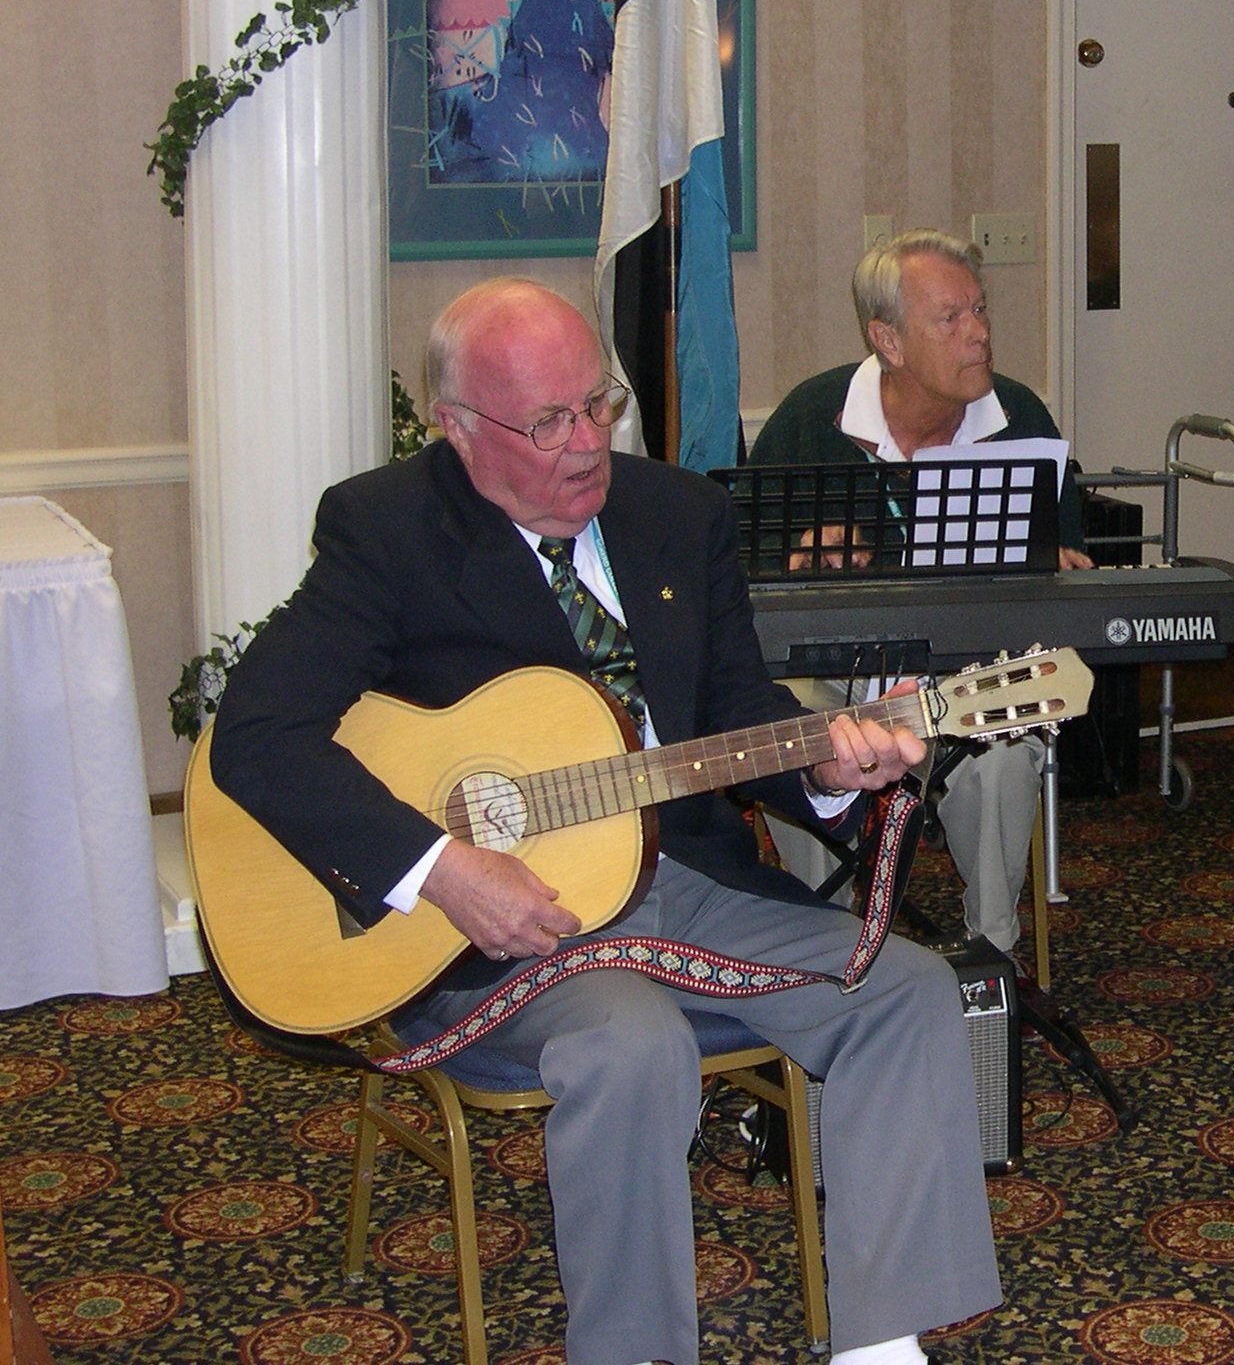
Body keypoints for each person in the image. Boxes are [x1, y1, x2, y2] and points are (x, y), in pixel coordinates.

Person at [210, 279, 999, 1365]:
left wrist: (829, 766)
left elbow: (734, 713)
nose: (588, 443)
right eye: (548, 422)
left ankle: (880, 1349)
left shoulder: (678, 515)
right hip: (488, 930)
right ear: (456, 427)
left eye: (598, 404)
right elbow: (257, 735)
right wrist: (441, 869)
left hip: (689, 886)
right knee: (631, 1045)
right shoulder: (388, 531)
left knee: (905, 989)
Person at [749, 231, 1089, 958]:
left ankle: (990, 954)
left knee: (1004, 757)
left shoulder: (1019, 418)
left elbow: (1065, 555)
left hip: (967, 675)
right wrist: (799, 560)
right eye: (951, 318)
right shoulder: (812, 419)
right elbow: (740, 570)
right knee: (786, 734)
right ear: (889, 341)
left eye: (980, 310)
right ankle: (821, 943)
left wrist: (1054, 567)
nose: (980, 332)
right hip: (833, 674)